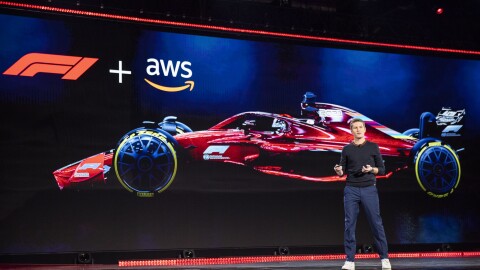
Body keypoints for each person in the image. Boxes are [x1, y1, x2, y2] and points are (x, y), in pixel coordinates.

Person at [334, 118, 391, 270]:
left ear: (365, 129)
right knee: (349, 224)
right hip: (351, 189)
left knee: (376, 223)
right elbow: (342, 171)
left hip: (369, 189)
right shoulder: (346, 149)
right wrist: (339, 171)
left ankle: (384, 258)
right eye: (355, 128)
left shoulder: (373, 147)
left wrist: (371, 169)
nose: (358, 130)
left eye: (360, 127)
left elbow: (382, 170)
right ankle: (350, 260)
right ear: (351, 131)